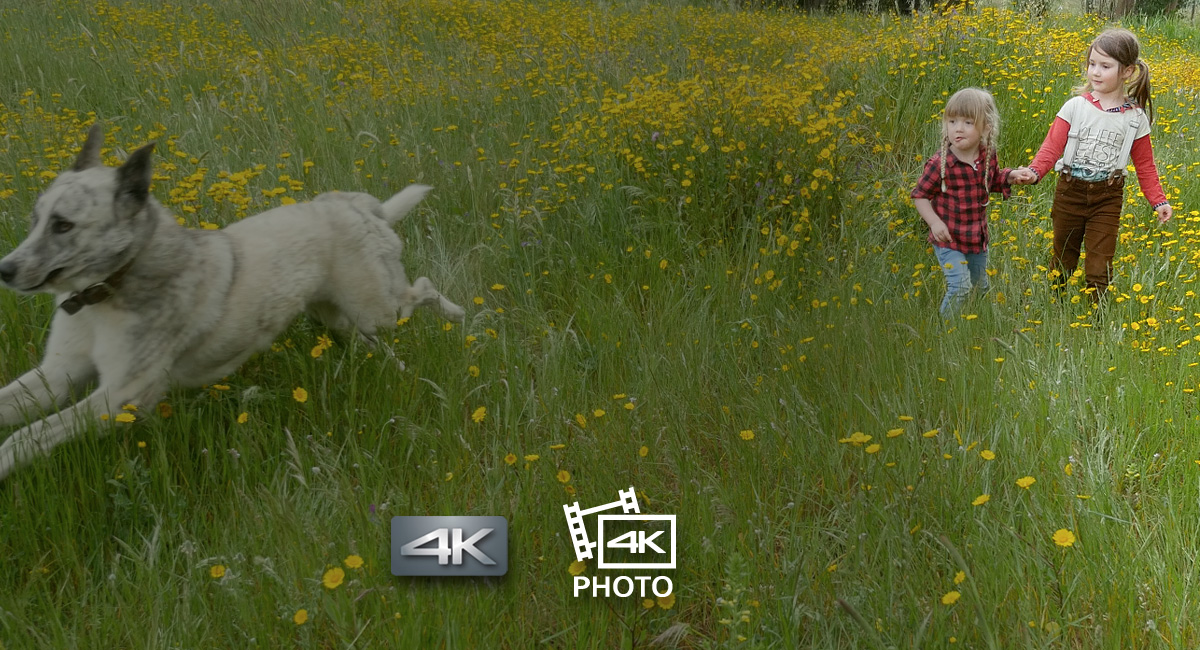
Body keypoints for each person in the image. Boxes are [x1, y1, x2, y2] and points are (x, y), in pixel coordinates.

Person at [1018, 28, 1171, 300]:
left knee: (1100, 265)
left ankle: (1095, 321)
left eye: (1105, 66)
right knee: (1063, 257)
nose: (1095, 72)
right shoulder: (1075, 107)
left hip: (1108, 197)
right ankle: (1055, 307)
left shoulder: (1135, 118)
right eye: (1091, 64)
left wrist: (1158, 201)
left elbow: (1146, 166)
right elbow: (1051, 147)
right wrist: (1033, 171)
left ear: (1127, 71)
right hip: (1069, 191)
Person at [912, 87, 1030, 318]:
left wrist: (1011, 175)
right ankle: (946, 335)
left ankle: (979, 325)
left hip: (976, 237)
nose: (958, 128)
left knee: (979, 287)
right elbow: (920, 195)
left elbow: (992, 180)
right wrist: (934, 223)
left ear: (986, 127)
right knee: (960, 287)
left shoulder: (986, 155)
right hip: (949, 239)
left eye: (967, 122)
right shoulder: (940, 163)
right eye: (952, 121)